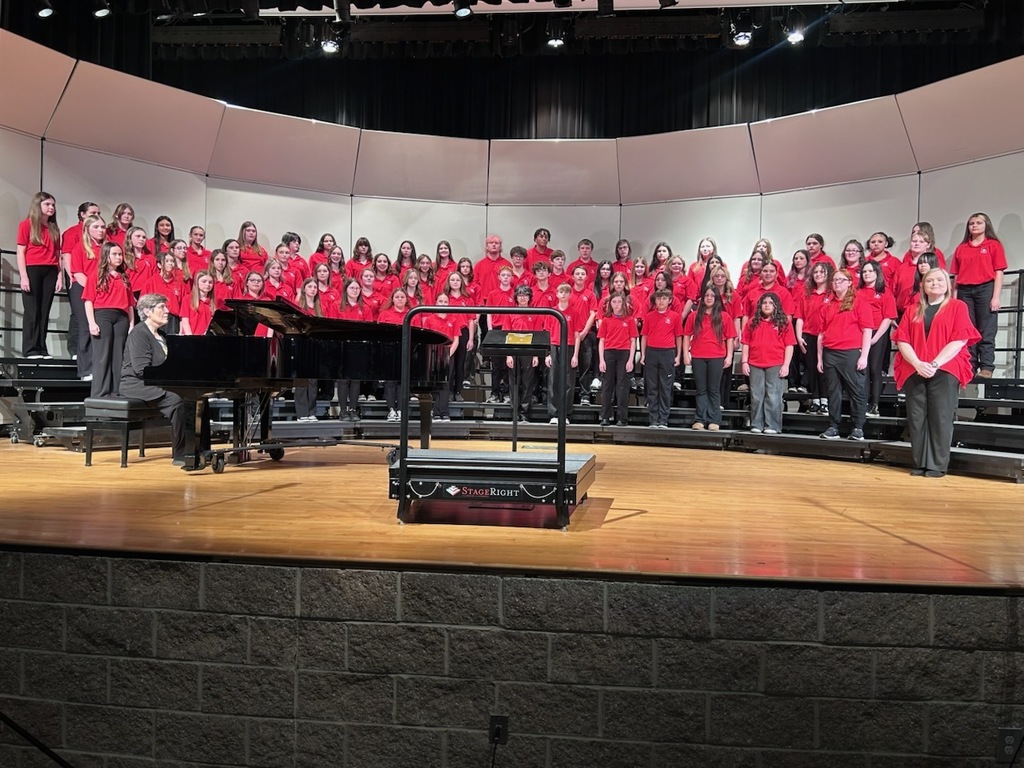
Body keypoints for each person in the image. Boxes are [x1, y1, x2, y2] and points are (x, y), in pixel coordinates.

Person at [893, 268, 980, 477]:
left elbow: (960, 339)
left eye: (939, 279)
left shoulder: (957, 306)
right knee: (917, 418)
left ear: (947, 284)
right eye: (929, 280)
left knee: (941, 416)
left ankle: (936, 465)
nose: (934, 283)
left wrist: (934, 363)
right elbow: (902, 339)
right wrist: (916, 362)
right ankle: (920, 463)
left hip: (945, 367)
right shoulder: (913, 308)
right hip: (914, 368)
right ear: (922, 285)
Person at [117, 293, 191, 465]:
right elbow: (142, 369)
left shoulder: (162, 336)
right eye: (162, 307)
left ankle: (199, 449)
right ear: (147, 311)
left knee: (197, 398)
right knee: (178, 399)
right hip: (136, 384)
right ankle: (181, 453)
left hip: (155, 382)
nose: (167, 311)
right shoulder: (139, 333)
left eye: (166, 307)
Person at [817, 269, 872, 440]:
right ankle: (834, 426)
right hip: (830, 353)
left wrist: (864, 356)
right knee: (833, 391)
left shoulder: (860, 303)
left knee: (857, 391)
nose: (837, 283)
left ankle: (857, 428)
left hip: (851, 353)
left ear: (850, 282)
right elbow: (821, 334)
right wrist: (819, 358)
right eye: (834, 280)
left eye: (841, 280)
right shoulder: (827, 305)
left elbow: (867, 330)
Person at [950, 212, 1007, 378]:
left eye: (978, 223)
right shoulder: (961, 248)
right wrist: (954, 299)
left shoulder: (993, 245)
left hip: (985, 288)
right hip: (965, 291)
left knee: (987, 329)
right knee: (968, 329)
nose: (974, 226)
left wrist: (995, 297)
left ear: (986, 225)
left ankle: (987, 367)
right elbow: (957, 277)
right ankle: (970, 366)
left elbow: (999, 272)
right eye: (971, 223)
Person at [84, 242, 135, 398]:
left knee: (118, 356)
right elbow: (88, 300)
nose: (119, 257)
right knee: (102, 355)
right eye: (115, 254)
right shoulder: (97, 275)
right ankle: (100, 393)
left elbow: (130, 304)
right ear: (106, 256)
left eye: (120, 254)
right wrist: (92, 323)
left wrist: (132, 324)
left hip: (121, 317)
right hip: (102, 315)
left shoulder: (124, 277)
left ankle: (117, 392)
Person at [16, 192, 62, 359]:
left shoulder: (53, 228)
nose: (51, 208)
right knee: (32, 310)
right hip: (32, 269)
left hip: (50, 270)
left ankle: (42, 347)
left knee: (44, 310)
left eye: (53, 205)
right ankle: (30, 349)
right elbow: (21, 252)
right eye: (47, 204)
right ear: (38, 206)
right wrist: (24, 276)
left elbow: (58, 254)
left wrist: (59, 276)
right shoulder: (26, 225)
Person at [741, 292, 795, 435]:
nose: (767, 305)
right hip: (755, 363)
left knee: (773, 395)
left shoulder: (784, 323)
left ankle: (773, 425)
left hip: (776, 363)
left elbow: (789, 345)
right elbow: (745, 343)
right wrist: (745, 361)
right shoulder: (752, 322)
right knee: (756, 395)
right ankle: (757, 424)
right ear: (760, 305)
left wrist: (786, 365)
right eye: (764, 303)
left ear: (776, 305)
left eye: (770, 303)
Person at [684, 287, 735, 431]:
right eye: (706, 295)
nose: (709, 298)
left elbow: (730, 338)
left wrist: (729, 356)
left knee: (713, 390)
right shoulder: (694, 316)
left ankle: (714, 420)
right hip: (698, 356)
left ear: (717, 298)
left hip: (717, 356)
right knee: (701, 390)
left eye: (712, 295)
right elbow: (686, 335)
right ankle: (700, 419)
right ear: (702, 298)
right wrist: (685, 354)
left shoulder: (724, 316)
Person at [856, 261, 898, 417]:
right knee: (862, 370)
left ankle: (875, 405)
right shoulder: (857, 291)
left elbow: (888, 318)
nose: (867, 274)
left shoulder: (884, 291)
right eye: (864, 271)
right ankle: (863, 402)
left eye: (870, 271)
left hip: (877, 334)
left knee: (874, 369)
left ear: (877, 273)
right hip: (860, 334)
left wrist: (874, 338)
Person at [69, 214, 107, 379]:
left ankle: (99, 368)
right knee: (86, 327)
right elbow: (78, 274)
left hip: (102, 291)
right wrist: (94, 289)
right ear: (87, 229)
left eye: (102, 227)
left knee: (99, 329)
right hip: (83, 289)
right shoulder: (80, 248)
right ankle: (86, 370)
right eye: (96, 227)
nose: (100, 230)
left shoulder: (106, 249)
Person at [794, 261, 833, 414]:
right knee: (812, 369)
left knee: (823, 369)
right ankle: (815, 400)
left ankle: (825, 400)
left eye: (822, 272)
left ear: (828, 274)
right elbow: (800, 317)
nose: (818, 275)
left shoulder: (831, 294)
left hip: (825, 337)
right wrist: (798, 335)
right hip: (809, 335)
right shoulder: (807, 294)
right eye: (815, 272)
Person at [642, 289, 683, 429]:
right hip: (652, 352)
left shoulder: (675, 316)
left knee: (665, 387)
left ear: (670, 300)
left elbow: (678, 337)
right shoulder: (649, 316)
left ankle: (663, 419)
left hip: (667, 353)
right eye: (659, 298)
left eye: (664, 298)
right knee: (652, 387)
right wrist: (642, 354)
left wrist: (678, 355)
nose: (661, 301)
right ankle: (653, 419)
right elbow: (644, 337)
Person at [597, 292, 637, 427]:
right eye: (614, 302)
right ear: (610, 304)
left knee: (622, 386)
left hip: (624, 354)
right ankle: (605, 417)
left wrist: (631, 360)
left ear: (624, 303)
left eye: (619, 302)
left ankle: (622, 418)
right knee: (607, 386)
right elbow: (601, 341)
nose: (617, 305)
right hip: (609, 353)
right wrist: (601, 360)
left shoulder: (630, 320)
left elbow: (633, 341)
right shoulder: (606, 320)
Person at [504, 285, 541, 422]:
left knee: (527, 382)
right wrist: (508, 355)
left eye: (525, 295)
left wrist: (536, 354)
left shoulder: (535, 313)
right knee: (514, 381)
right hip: (513, 350)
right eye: (520, 295)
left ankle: (525, 412)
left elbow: (537, 335)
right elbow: (506, 334)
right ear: (516, 297)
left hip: (529, 350)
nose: (523, 297)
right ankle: (514, 412)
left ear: (530, 297)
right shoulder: (510, 312)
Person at [545, 283, 580, 424]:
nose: (564, 294)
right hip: (554, 347)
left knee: (568, 382)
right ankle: (554, 413)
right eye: (561, 291)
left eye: (566, 292)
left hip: (569, 347)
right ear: (557, 294)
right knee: (553, 380)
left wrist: (575, 355)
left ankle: (565, 414)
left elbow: (577, 335)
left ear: (570, 295)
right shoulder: (552, 312)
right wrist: (547, 353)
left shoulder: (574, 312)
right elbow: (547, 333)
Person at [181, 271, 217, 336]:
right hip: (192, 337)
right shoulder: (187, 299)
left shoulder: (213, 302)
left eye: (210, 282)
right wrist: (190, 338)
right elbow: (185, 322)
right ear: (197, 282)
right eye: (204, 281)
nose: (207, 284)